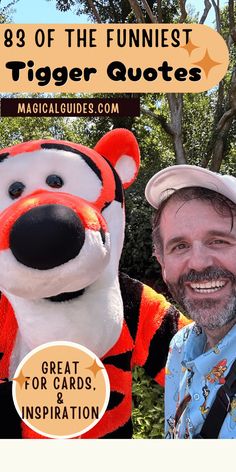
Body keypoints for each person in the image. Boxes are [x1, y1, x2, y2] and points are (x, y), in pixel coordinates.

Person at [145, 164, 236, 439]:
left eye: (219, 241)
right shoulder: (179, 346)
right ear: (162, 261)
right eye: (180, 246)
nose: (197, 263)